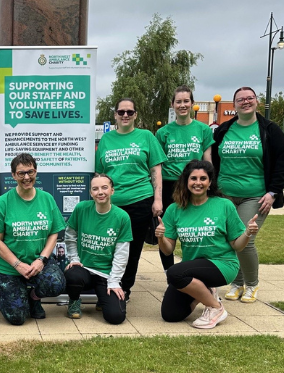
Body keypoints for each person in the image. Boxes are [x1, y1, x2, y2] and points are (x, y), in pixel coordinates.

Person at [156, 160, 259, 329]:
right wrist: (161, 238)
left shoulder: (224, 205)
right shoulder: (175, 209)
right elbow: (168, 251)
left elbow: (237, 246)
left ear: (210, 182)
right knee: (170, 314)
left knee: (174, 273)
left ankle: (215, 308)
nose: (198, 183)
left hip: (222, 264)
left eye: (203, 178)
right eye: (193, 178)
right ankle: (205, 291)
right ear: (186, 181)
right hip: (191, 268)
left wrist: (247, 233)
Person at [212, 87, 284, 303]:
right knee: (229, 240)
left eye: (249, 98)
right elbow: (214, 161)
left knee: (245, 239)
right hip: (225, 195)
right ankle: (237, 283)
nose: (245, 102)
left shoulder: (269, 130)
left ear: (256, 101)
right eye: (240, 99)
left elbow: (283, 162)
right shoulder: (224, 130)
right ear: (234, 104)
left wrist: (273, 192)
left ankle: (252, 284)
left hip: (255, 196)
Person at [94, 98, 167, 301]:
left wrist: (158, 200)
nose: (125, 115)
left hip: (140, 199)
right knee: (107, 246)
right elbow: (100, 173)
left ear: (136, 115)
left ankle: (124, 290)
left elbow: (156, 170)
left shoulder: (146, 136)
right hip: (111, 203)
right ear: (115, 115)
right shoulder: (106, 140)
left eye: (129, 112)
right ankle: (106, 285)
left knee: (132, 249)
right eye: (121, 112)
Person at [0, 153, 66, 325]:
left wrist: (42, 260)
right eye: (21, 173)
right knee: (17, 318)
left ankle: (33, 298)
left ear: (36, 172)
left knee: (56, 284)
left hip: (36, 262)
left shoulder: (47, 199)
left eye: (30, 172)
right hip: (8, 266)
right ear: (13, 175)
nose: (27, 177)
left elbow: (54, 233)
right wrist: (17, 264)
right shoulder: (2, 203)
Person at [155, 86, 214, 271]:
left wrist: (209, 185)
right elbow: (158, 164)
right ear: (172, 104)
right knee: (166, 230)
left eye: (186, 101)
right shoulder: (163, 132)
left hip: (195, 184)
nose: (182, 105)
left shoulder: (203, 130)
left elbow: (208, 161)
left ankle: (198, 271)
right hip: (170, 185)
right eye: (178, 101)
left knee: (198, 229)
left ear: (192, 103)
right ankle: (170, 273)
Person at [63, 174, 132, 324]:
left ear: (112, 191)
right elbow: (70, 236)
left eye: (104, 187)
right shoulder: (81, 208)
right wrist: (74, 259)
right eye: (95, 189)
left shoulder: (122, 217)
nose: (100, 192)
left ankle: (103, 300)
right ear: (91, 193)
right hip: (84, 269)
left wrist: (114, 281)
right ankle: (74, 302)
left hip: (105, 275)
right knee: (72, 275)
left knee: (116, 317)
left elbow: (122, 253)